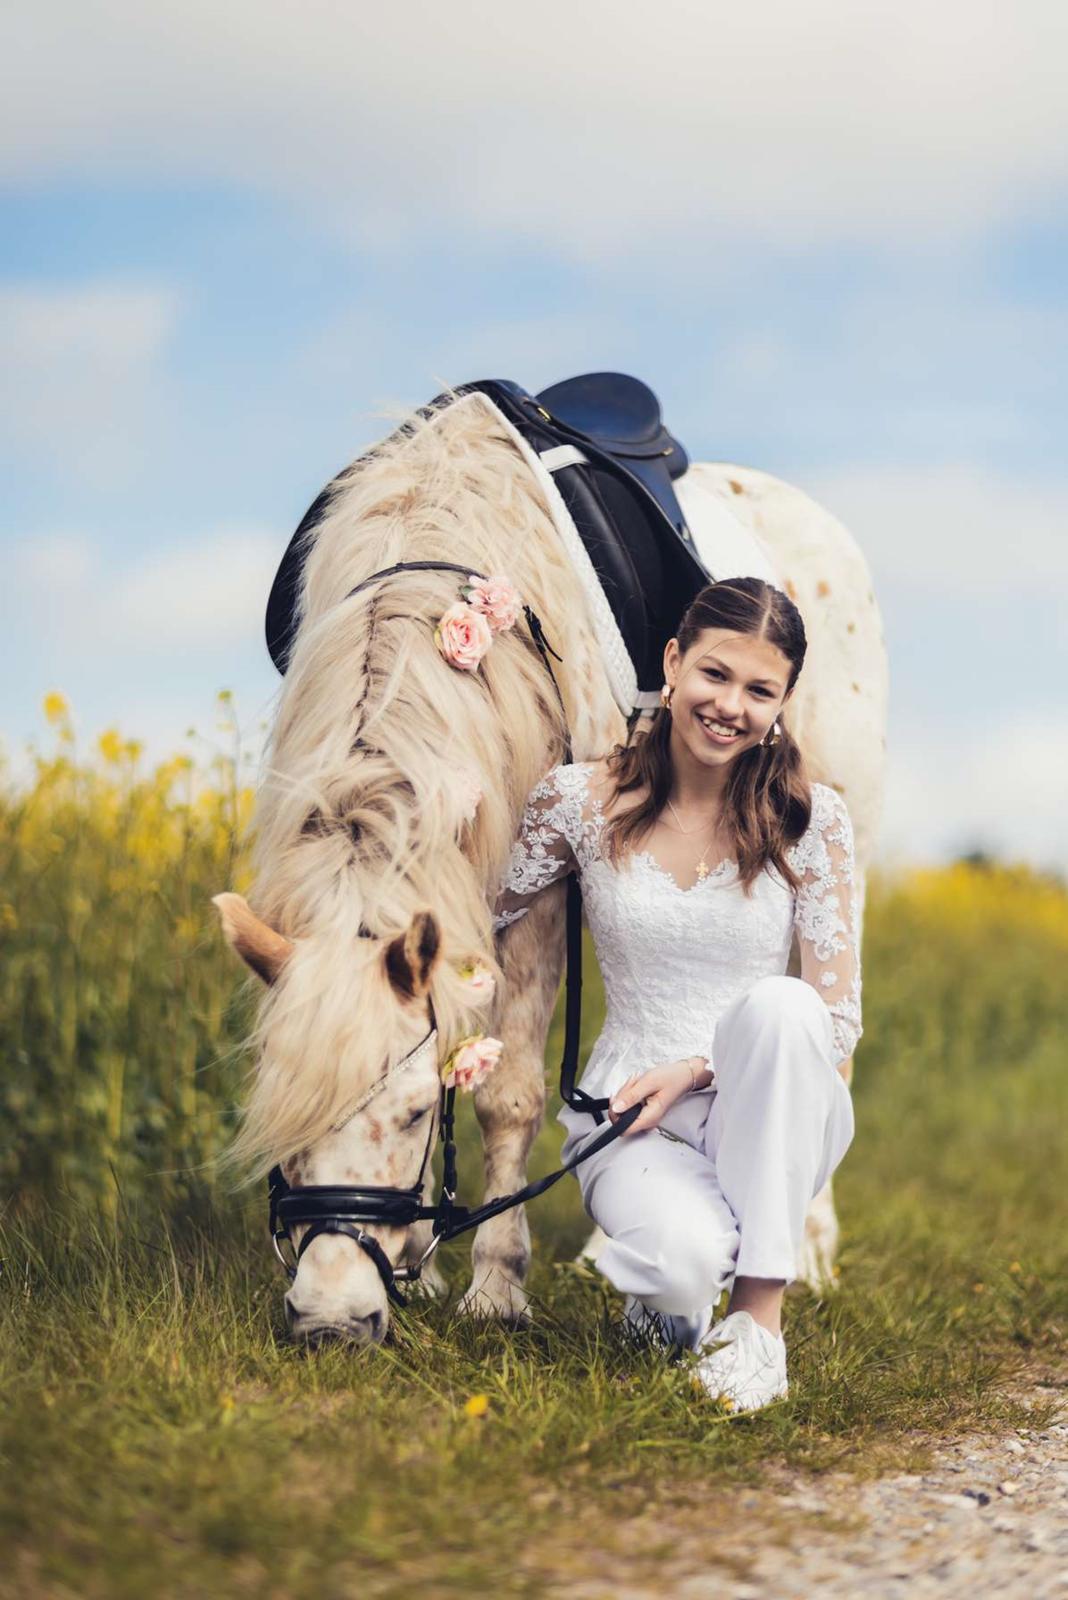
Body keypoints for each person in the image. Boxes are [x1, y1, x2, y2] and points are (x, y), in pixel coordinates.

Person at [492, 577, 859, 1413]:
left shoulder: (813, 820)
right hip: (629, 1112)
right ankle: (674, 1300)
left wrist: (696, 1071)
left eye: (759, 690)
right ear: (672, 663)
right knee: (681, 1263)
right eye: (715, 675)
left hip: (766, 1112)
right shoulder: (577, 802)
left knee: (784, 1007)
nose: (731, 705)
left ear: (783, 702)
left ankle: (757, 1325)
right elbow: (487, 911)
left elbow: (836, 1024)